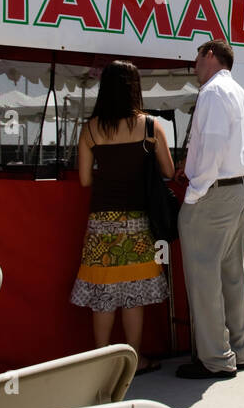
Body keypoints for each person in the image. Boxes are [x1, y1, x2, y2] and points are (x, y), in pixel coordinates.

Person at [69, 61, 173, 375]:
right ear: (134, 88)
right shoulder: (151, 126)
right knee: (134, 295)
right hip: (138, 222)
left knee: (103, 296)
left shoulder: (90, 128)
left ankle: (101, 364)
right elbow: (168, 171)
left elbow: (85, 180)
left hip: (101, 223)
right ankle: (135, 360)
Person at [175, 40, 244, 380]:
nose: (193, 64)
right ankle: (237, 350)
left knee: (204, 279)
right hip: (236, 189)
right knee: (232, 275)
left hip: (214, 193)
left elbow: (210, 147)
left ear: (210, 55)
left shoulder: (212, 92)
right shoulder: (239, 92)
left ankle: (216, 359)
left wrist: (194, 192)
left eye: (196, 57)